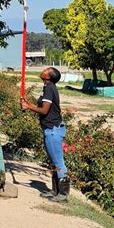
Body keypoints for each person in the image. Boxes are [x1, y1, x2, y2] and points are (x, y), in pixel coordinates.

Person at [20, 67, 69, 202]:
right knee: (53, 162)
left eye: (46, 70)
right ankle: (55, 191)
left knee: (58, 162)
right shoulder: (48, 87)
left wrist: (28, 107)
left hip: (53, 130)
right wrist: (28, 104)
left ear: (48, 77)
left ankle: (63, 194)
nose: (43, 70)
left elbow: (44, 110)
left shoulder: (49, 88)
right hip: (51, 129)